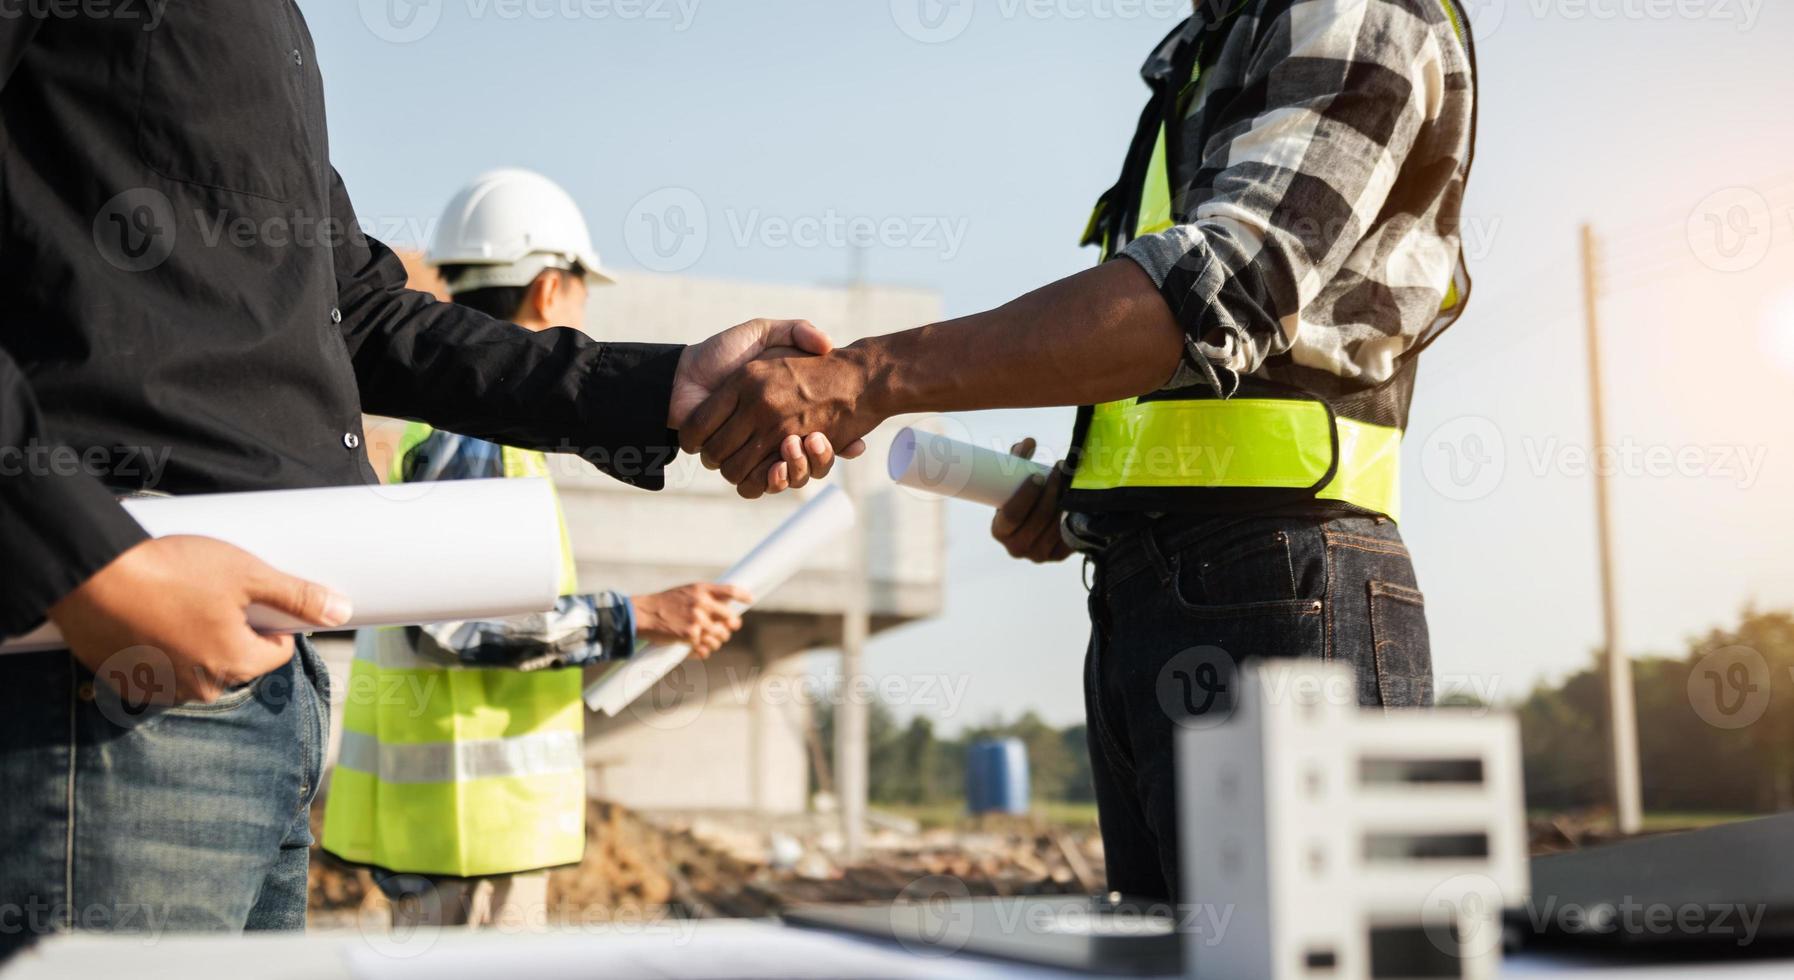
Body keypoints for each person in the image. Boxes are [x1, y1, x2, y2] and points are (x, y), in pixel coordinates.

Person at [0, 7, 848, 947]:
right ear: (546, 283)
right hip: (106, 677)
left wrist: (660, 385)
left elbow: (356, 311)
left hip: (265, 691)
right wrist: (88, 558)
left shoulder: (267, 32)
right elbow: (469, 630)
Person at [682, 0, 1478, 901]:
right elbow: (1190, 372)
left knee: (1296, 954)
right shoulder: (1207, 45)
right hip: (1164, 591)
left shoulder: (1348, 9)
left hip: (1291, 591)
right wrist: (1090, 490)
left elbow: (1219, 286)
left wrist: (865, 377)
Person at [320, 170, 750, 930]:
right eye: (583, 295)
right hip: (469, 839)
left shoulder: (451, 437)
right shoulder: (477, 440)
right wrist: (639, 615)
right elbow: (456, 626)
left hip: (461, 836)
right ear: (551, 291)